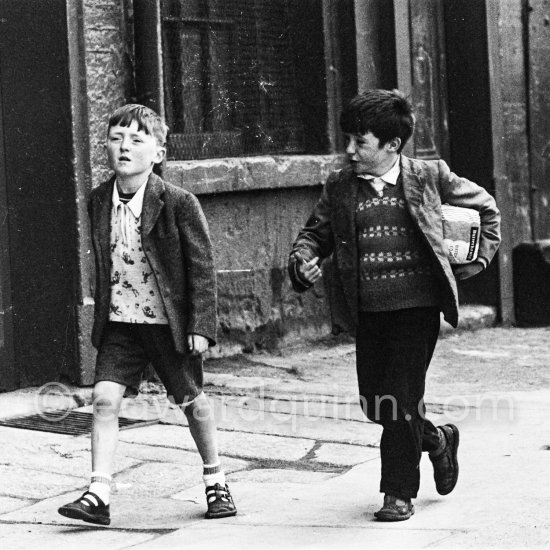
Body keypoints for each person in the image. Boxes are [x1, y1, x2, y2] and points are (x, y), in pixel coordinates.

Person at [288, 89, 500, 521]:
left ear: (392, 145)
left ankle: (398, 493)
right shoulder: (341, 186)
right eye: (348, 139)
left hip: (417, 308)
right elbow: (315, 234)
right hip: (367, 311)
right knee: (375, 402)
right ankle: (437, 440)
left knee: (401, 399)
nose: (349, 150)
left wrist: (475, 261)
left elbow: (486, 210)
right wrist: (301, 263)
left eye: (359, 142)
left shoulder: (428, 176)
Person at [58, 104, 236, 525]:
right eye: (116, 138)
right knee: (104, 399)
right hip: (121, 322)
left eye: (137, 140)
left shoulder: (177, 202)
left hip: (167, 324)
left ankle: (216, 480)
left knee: (191, 400)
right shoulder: (99, 199)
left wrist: (201, 327)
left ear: (158, 152)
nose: (124, 147)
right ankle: (98, 492)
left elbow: (203, 268)